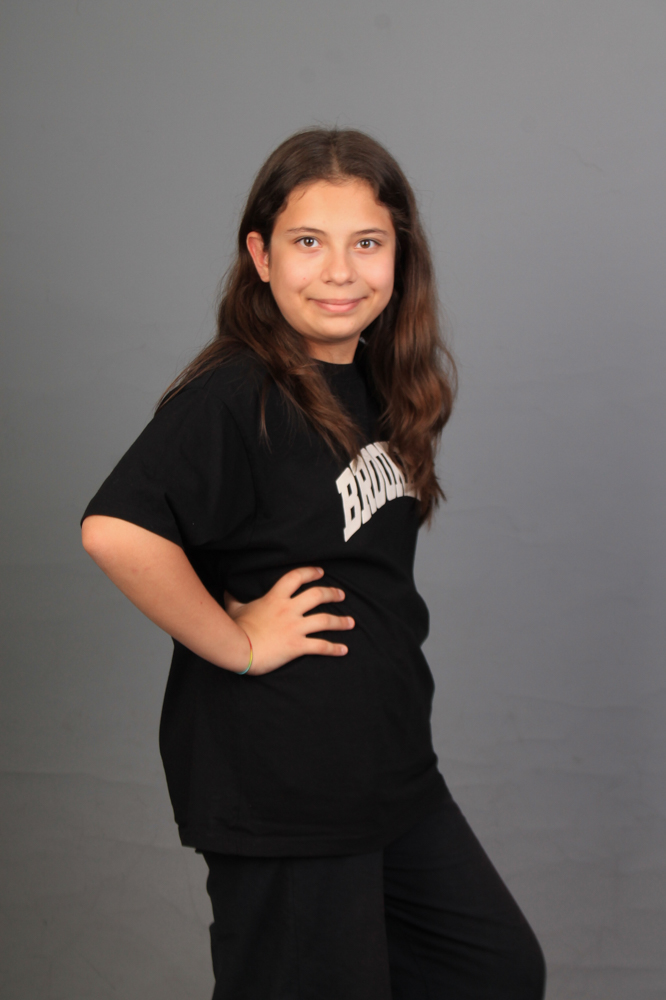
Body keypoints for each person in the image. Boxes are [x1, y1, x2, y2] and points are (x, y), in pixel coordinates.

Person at [81, 127, 546, 999]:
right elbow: (116, 529)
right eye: (307, 242)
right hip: (285, 783)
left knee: (490, 968)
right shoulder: (237, 393)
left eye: (366, 243)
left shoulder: (377, 381)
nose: (340, 271)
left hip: (388, 772)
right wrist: (237, 643)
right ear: (260, 257)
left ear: (400, 256)